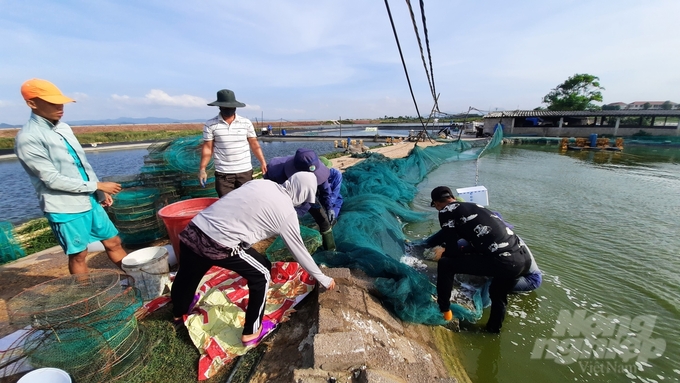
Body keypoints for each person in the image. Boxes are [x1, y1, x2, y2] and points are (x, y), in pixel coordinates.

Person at [170, 172, 336, 346]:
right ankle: (251, 331)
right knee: (262, 274)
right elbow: (300, 253)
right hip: (220, 244)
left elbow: (241, 207)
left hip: (195, 228)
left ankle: (177, 312)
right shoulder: (287, 213)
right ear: (304, 193)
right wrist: (323, 278)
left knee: (188, 272)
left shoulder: (264, 184)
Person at [14, 78, 126, 274]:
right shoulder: (28, 138)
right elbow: (52, 180)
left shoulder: (63, 128)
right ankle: (85, 300)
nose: (60, 107)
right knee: (79, 254)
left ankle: (141, 279)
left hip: (89, 200)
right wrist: (98, 186)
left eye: (60, 101)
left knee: (113, 242)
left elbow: (81, 165)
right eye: (52, 102)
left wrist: (98, 193)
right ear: (32, 103)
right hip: (65, 207)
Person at [425, 186, 531, 333]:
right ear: (452, 197)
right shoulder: (475, 206)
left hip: (503, 261)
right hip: (522, 260)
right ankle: (493, 331)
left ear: (436, 203)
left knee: (446, 264)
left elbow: (452, 250)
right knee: (497, 294)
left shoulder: (446, 211)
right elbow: (483, 243)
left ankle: (444, 311)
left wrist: (444, 253)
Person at [264, 148, 337, 250]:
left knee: (324, 220)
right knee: (292, 228)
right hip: (285, 199)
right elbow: (268, 191)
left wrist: (329, 207)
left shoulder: (318, 167)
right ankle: (295, 253)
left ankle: (330, 249)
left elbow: (325, 191)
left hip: (308, 196)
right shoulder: (275, 169)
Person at [198, 89, 267, 197]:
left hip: (244, 172)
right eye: (225, 107)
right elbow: (207, 148)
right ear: (219, 107)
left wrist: (262, 162)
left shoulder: (246, 123)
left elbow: (254, 144)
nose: (229, 110)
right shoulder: (210, 124)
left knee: (247, 202)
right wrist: (202, 169)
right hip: (223, 174)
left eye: (231, 107)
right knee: (226, 206)